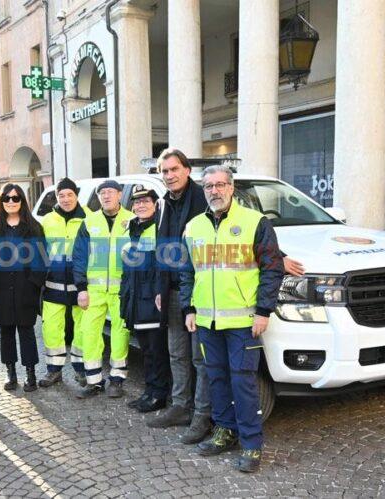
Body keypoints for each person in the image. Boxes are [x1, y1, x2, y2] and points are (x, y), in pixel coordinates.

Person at [180, 164, 284, 473]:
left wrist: (263, 311)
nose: (215, 191)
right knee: (217, 378)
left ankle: (251, 443)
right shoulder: (194, 226)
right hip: (206, 321)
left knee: (243, 382)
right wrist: (188, 308)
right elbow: (187, 271)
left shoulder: (255, 222)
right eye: (209, 186)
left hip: (243, 321)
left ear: (231, 187)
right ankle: (224, 431)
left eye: (220, 185)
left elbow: (272, 269)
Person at [148, 148, 213, 444]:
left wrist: (278, 256)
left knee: (201, 358)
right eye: (165, 171)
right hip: (172, 290)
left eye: (174, 169)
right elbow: (160, 249)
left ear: (187, 170)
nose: (170, 175)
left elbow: (239, 232)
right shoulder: (163, 203)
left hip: (200, 290)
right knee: (177, 353)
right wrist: (159, 289)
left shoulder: (204, 197)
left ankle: (202, 414)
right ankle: (180, 406)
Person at [72, 180, 134, 398]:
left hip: (122, 290)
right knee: (89, 333)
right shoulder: (89, 222)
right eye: (102, 193)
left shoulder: (132, 220)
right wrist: (81, 288)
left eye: (110, 192)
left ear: (119, 194)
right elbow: (79, 257)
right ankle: (94, 381)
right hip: (94, 290)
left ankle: (117, 380)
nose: (106, 196)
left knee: (120, 334)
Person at [0, 184, 45, 392]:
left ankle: (31, 373)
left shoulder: (34, 227)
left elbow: (42, 258)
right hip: (0, 288)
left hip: (25, 287)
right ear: (1, 201)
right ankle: (10, 373)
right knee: (6, 332)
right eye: (7, 198)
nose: (11, 202)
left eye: (16, 198)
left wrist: (34, 283)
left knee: (26, 331)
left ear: (22, 200)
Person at [119, 185, 169, 413]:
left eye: (146, 201)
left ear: (155, 205)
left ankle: (159, 395)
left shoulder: (160, 228)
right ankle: (149, 392)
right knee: (146, 350)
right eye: (137, 202)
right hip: (135, 299)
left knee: (157, 351)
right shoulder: (131, 228)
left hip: (152, 300)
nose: (140, 205)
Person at [37, 178, 89, 388]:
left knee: (83, 329)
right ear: (56, 197)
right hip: (53, 283)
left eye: (69, 194)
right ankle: (54, 371)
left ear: (76, 195)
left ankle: (81, 369)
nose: (66, 199)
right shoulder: (47, 220)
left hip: (80, 285)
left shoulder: (89, 218)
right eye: (61, 195)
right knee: (51, 328)